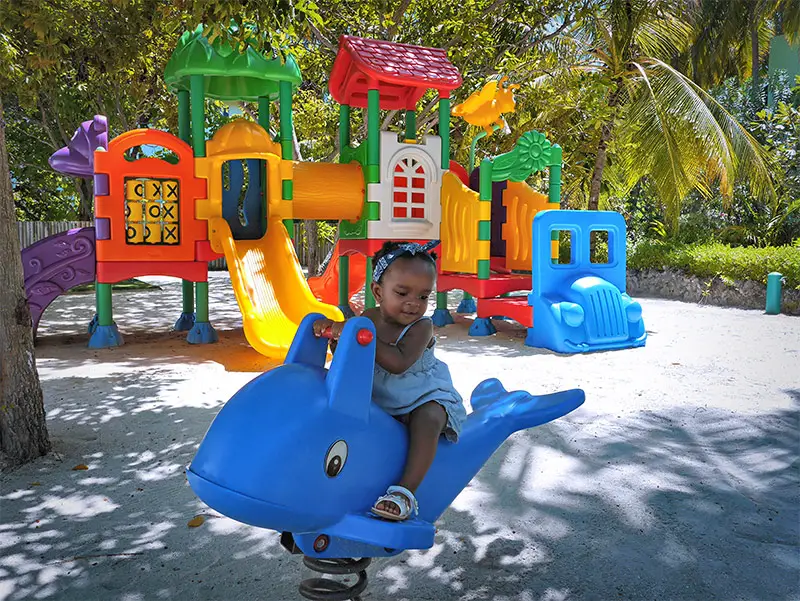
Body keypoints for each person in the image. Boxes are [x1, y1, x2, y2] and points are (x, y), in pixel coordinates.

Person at [313, 240, 466, 521]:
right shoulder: (368, 317)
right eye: (402, 292)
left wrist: (354, 332)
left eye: (423, 296)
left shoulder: (421, 326)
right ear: (378, 291)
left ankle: (405, 491)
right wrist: (337, 339)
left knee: (429, 418)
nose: (413, 303)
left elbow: (397, 363)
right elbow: (354, 358)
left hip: (420, 395)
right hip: (381, 397)